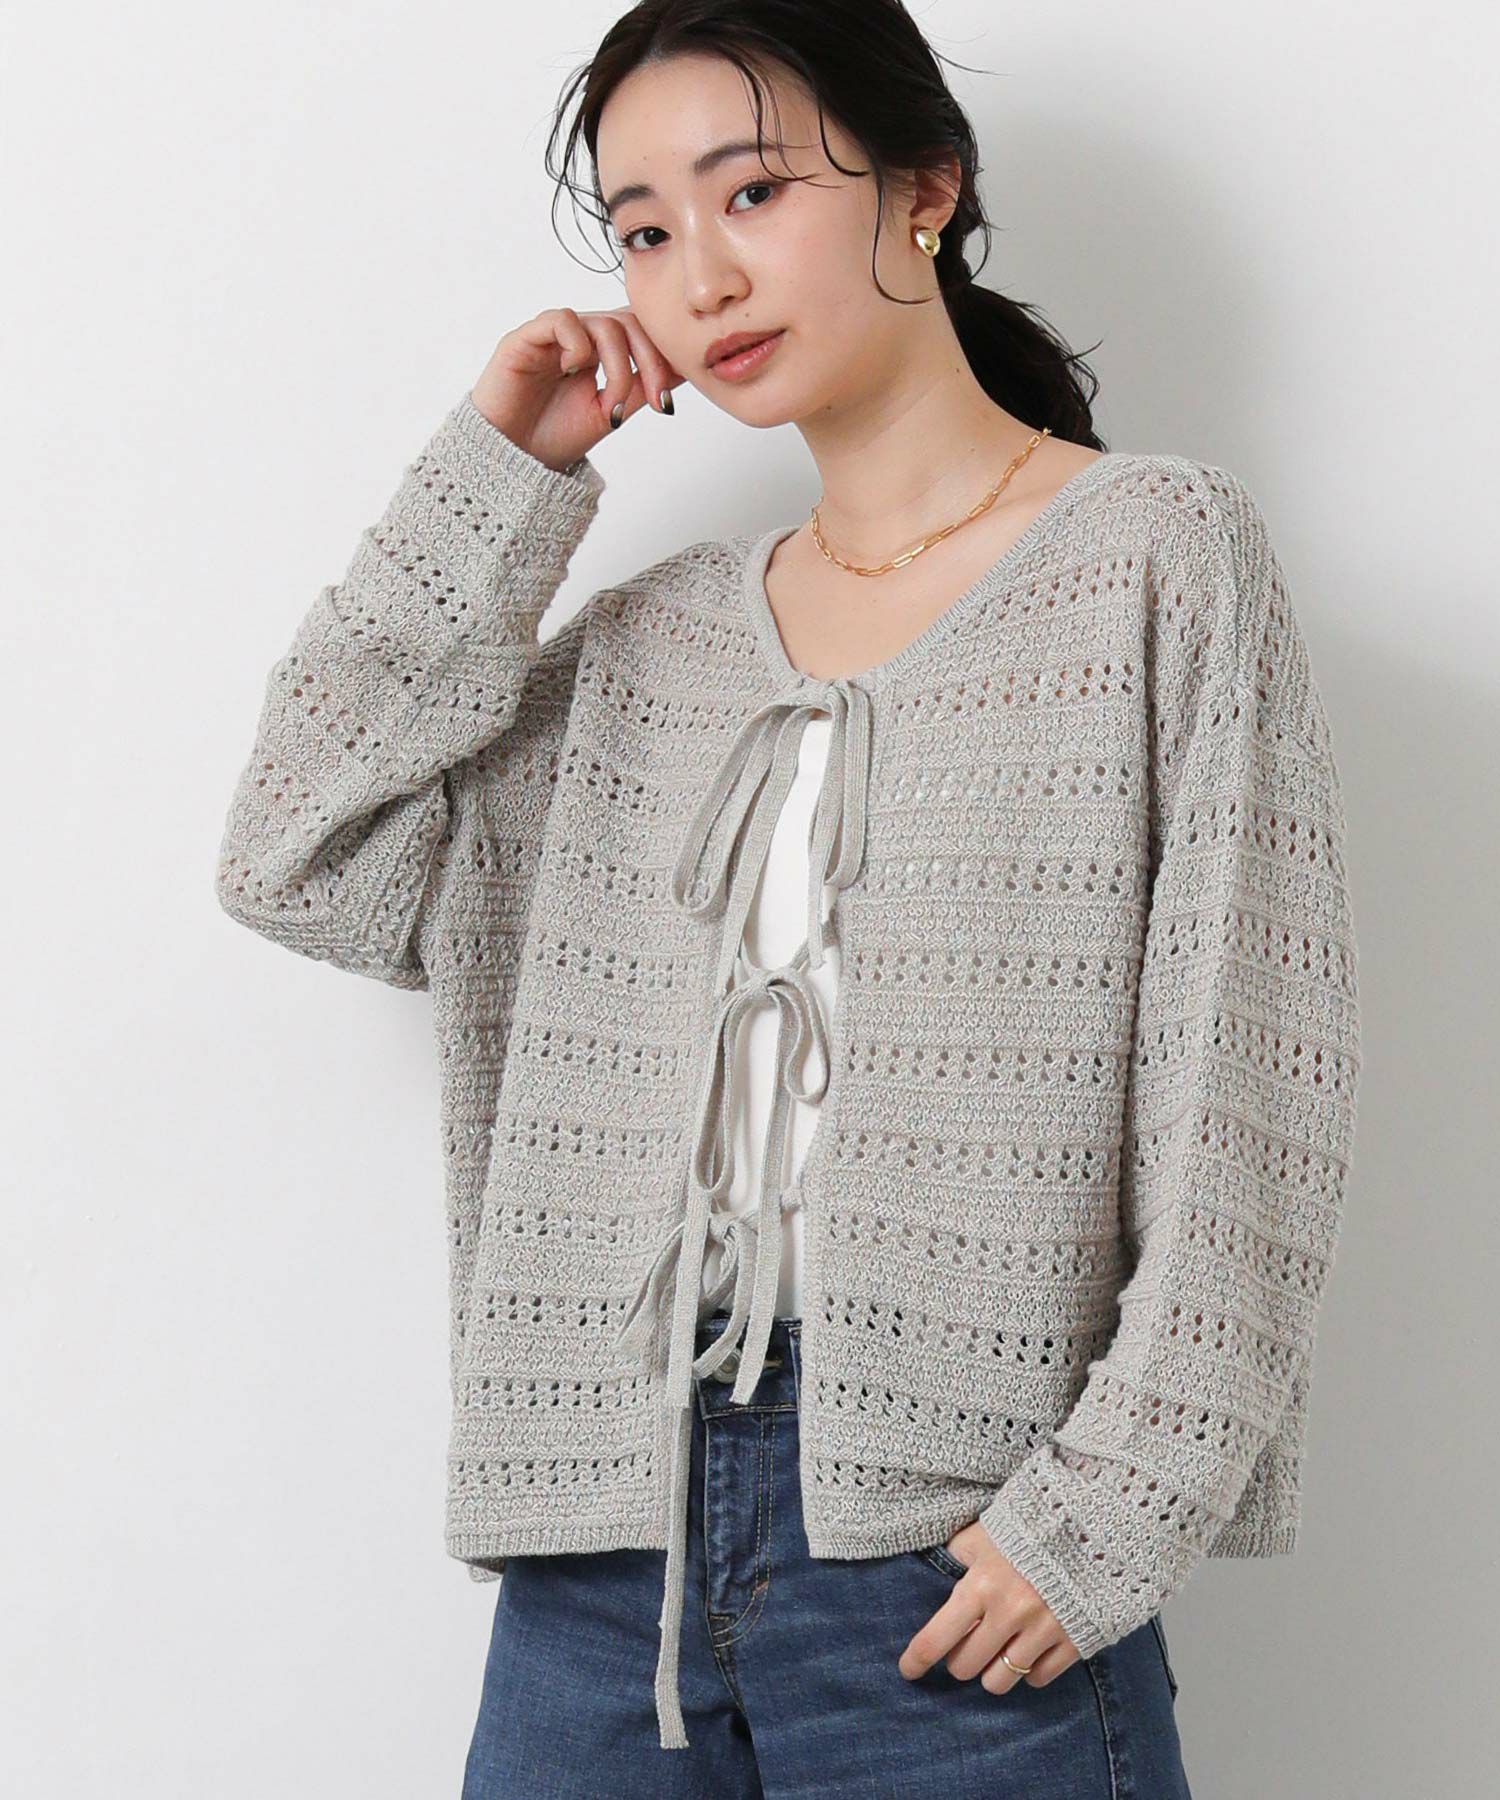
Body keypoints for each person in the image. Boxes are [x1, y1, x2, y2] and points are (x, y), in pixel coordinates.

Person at [213, 3, 1362, 1793]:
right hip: (604, 1555)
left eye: (751, 191)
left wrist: (1109, 1511)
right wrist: (504, 475)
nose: (702, 275)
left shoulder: (1157, 559)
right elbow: (300, 856)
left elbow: (1254, 1083)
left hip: (957, 1551)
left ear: (926, 188)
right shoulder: (648, 646)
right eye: (645, 230)